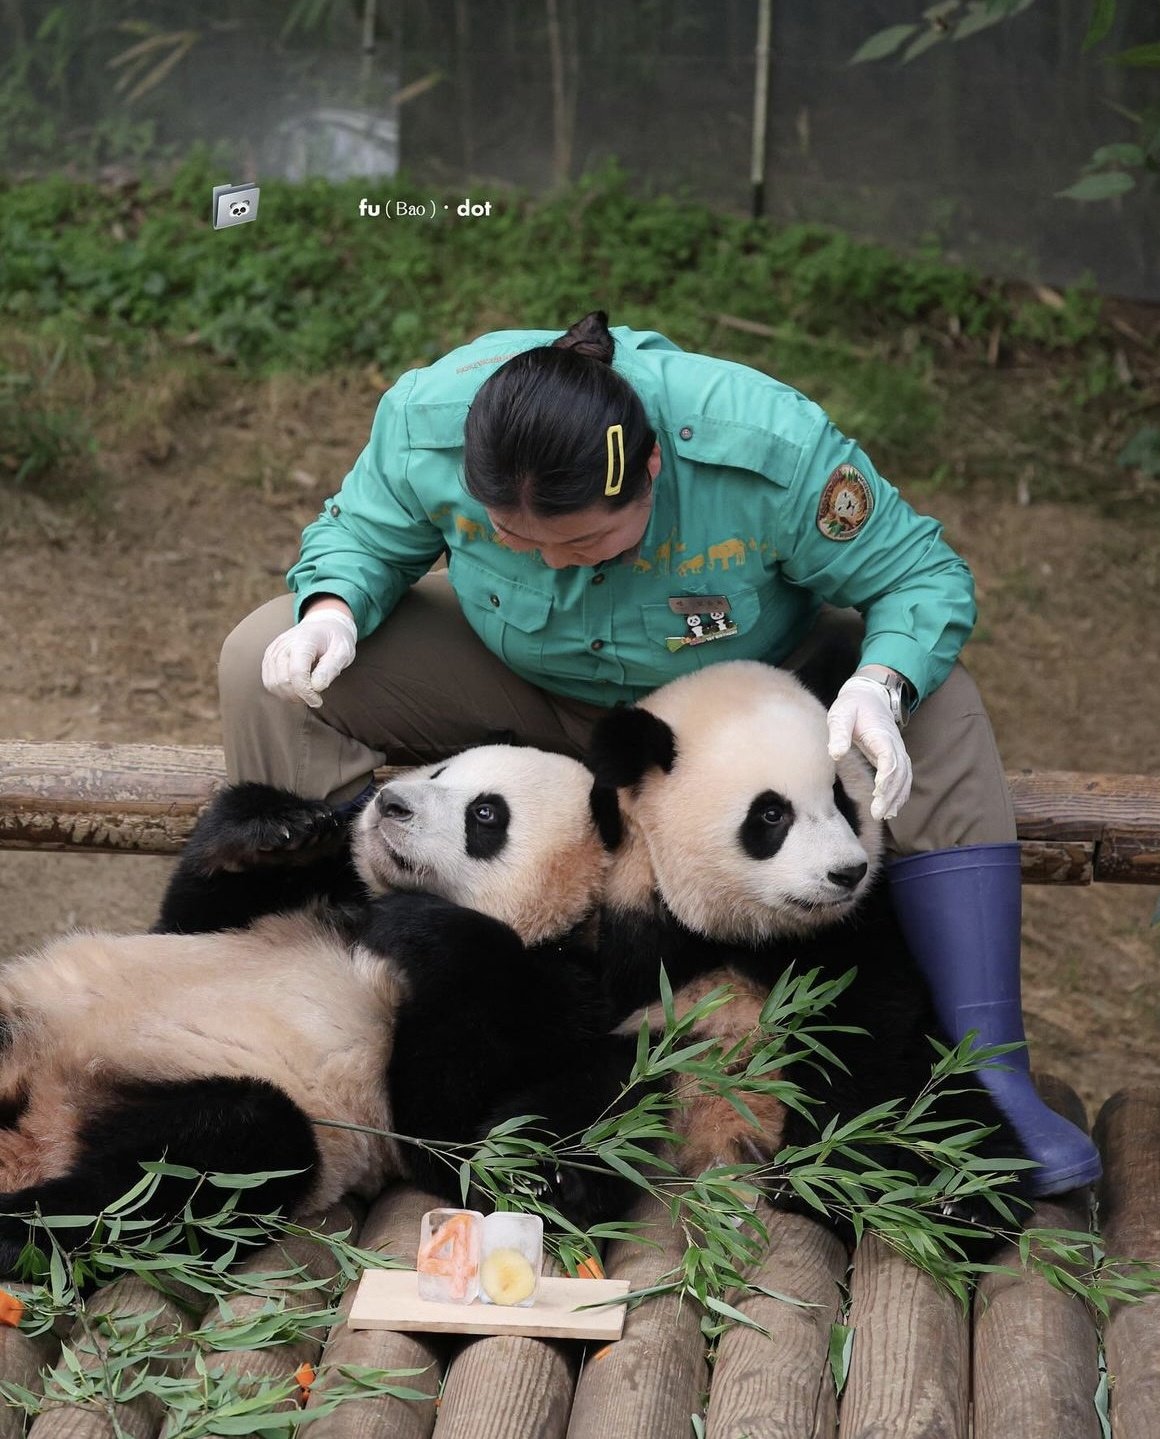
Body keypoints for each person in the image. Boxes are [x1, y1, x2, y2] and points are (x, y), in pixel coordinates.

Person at [220, 310, 1100, 1196]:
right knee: (264, 662)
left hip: (727, 704)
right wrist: (332, 603)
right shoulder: (431, 420)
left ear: (651, 469)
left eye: (585, 540)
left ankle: (991, 1070)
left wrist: (881, 682)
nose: (559, 567)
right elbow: (365, 533)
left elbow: (918, 574)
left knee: (938, 700)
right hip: (520, 675)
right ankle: (321, 1008)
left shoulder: (763, 447)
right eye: (523, 542)